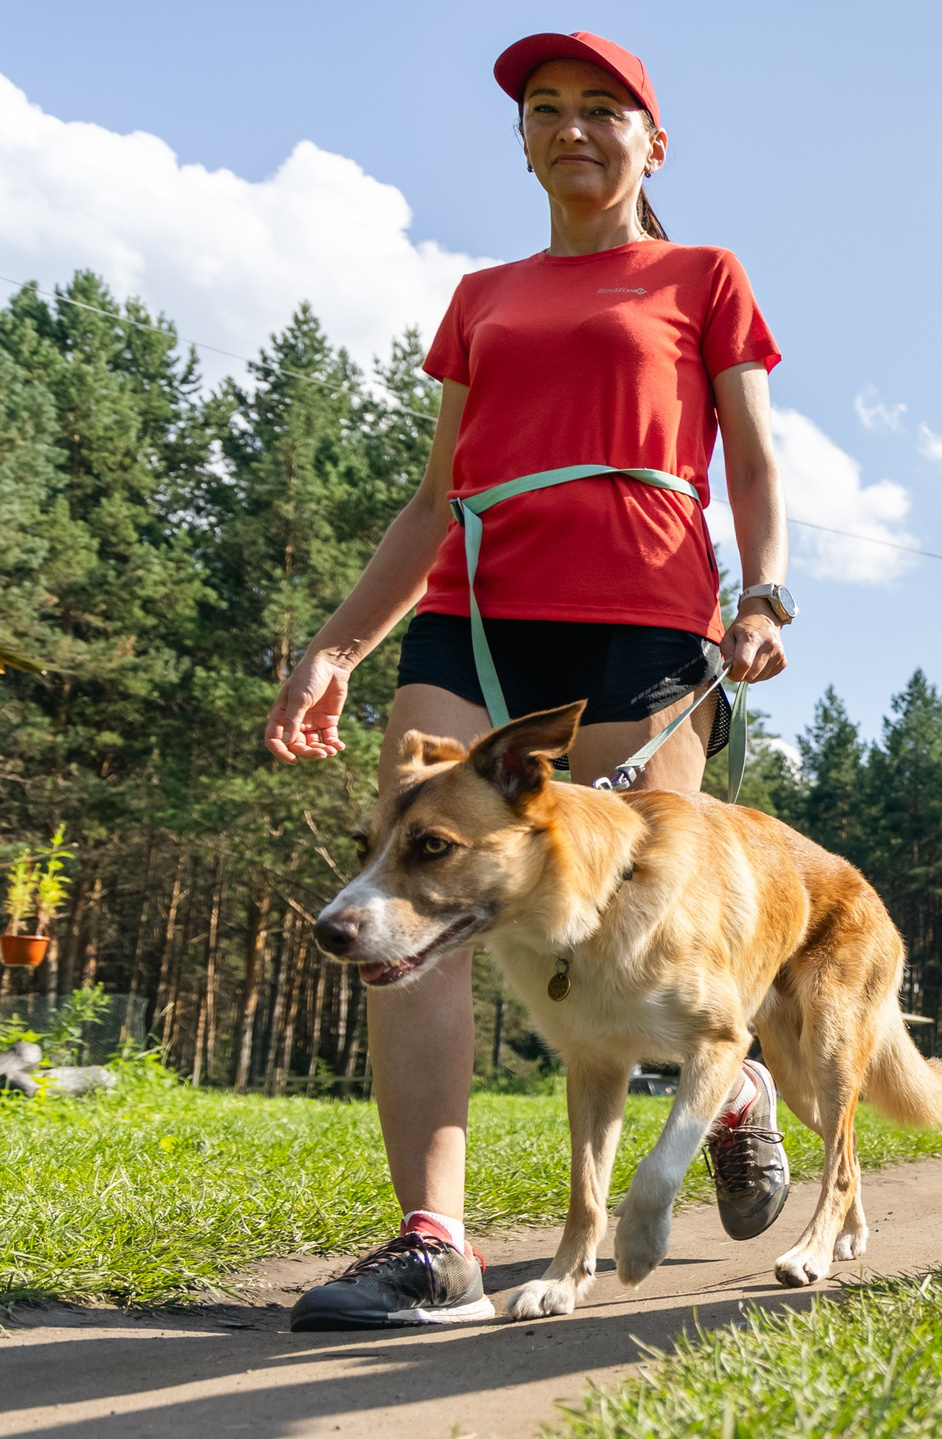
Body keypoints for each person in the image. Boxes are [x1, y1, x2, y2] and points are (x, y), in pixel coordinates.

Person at [264, 32, 801, 1326]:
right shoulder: (481, 297)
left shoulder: (702, 276)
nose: (572, 128)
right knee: (422, 890)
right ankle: (431, 1234)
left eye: (602, 109)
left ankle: (731, 1084)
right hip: (477, 620)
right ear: (523, 142)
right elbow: (435, 498)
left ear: (651, 141)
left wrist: (764, 590)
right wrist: (338, 644)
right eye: (546, 111)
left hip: (644, 626)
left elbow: (754, 461)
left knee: (649, 934)